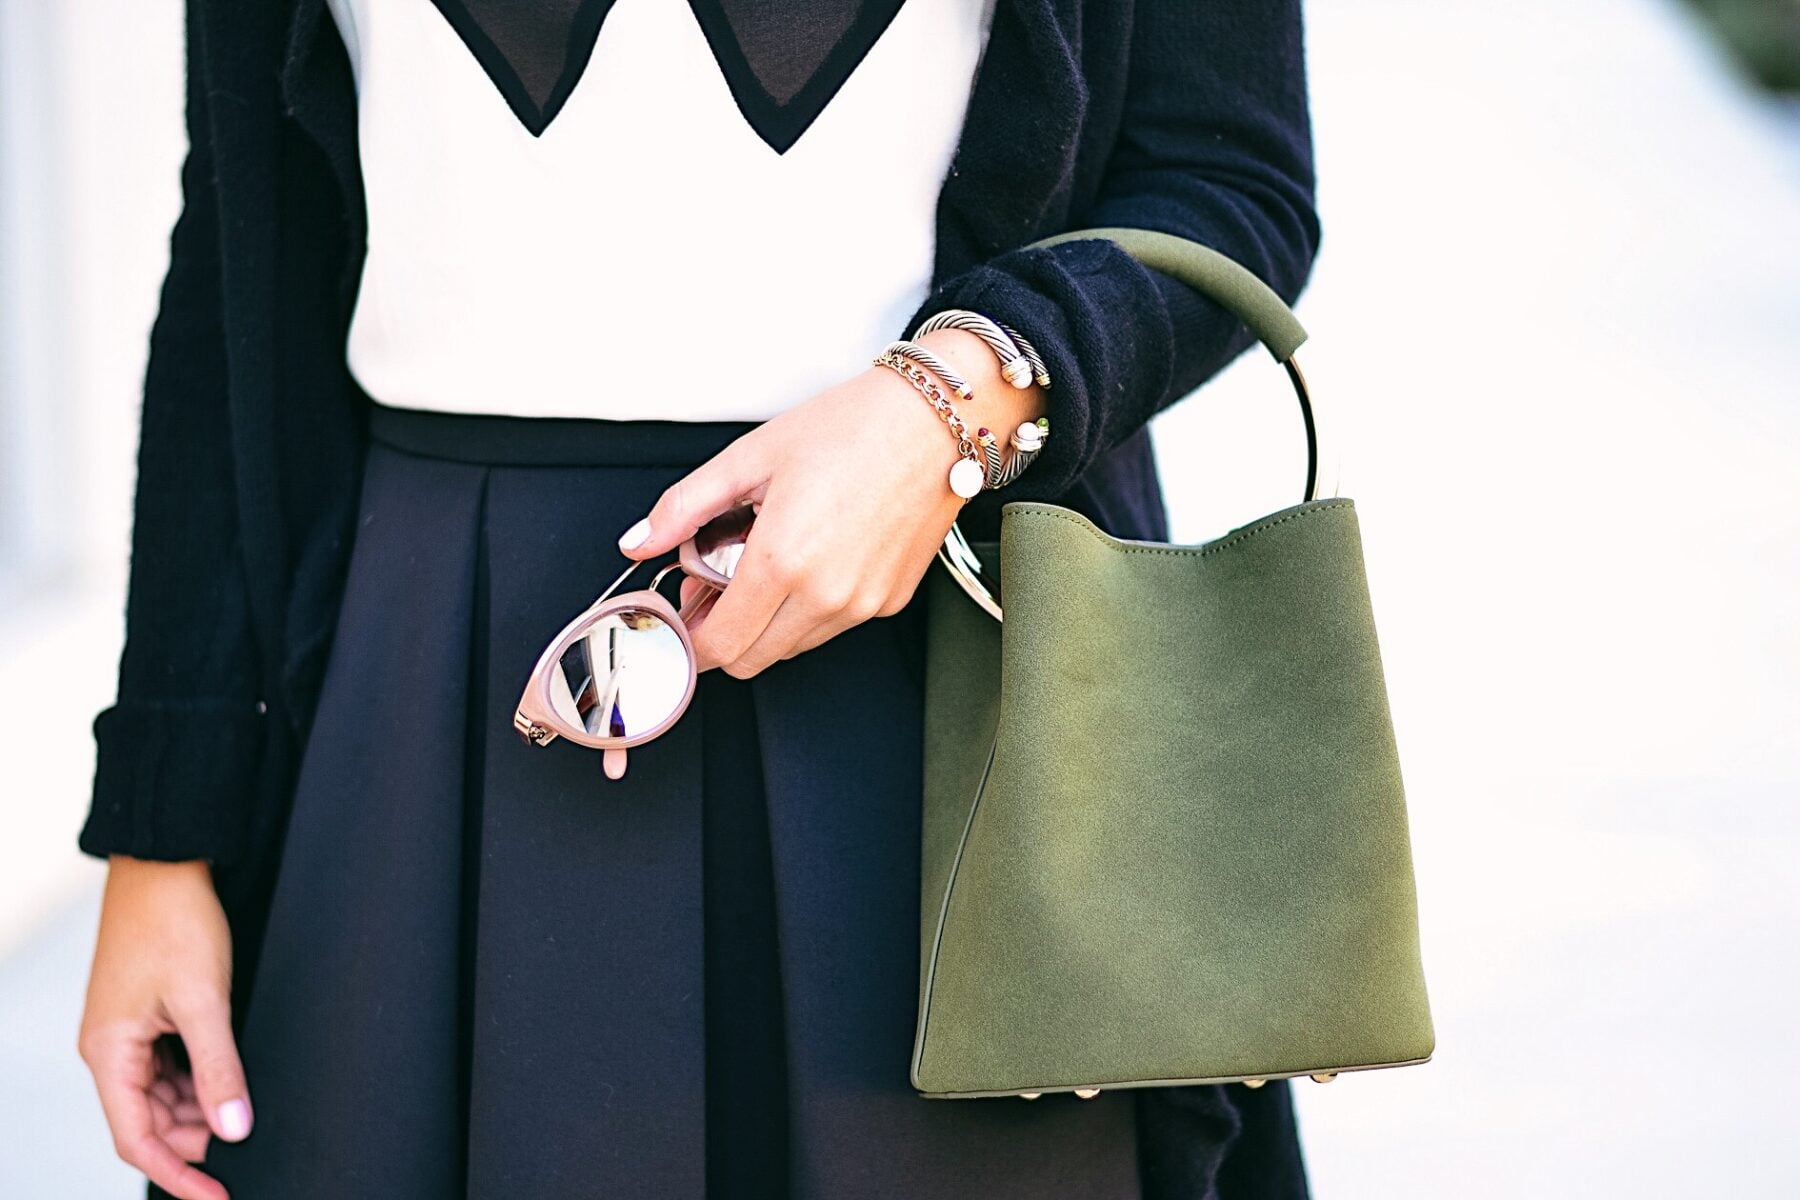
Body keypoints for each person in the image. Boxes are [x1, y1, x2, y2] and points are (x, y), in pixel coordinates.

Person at [75, 1, 1321, 1197]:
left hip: (940, 653)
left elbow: (1227, 177)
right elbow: (245, 244)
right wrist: (162, 828)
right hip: (411, 688)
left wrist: (950, 403)